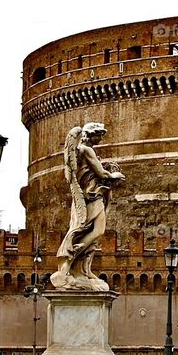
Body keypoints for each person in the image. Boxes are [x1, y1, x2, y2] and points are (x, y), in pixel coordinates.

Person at [53, 122, 124, 290]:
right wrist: (115, 175)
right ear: (91, 135)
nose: (100, 139)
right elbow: (102, 174)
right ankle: (70, 258)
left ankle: (83, 269)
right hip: (92, 196)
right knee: (96, 230)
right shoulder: (87, 150)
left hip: (90, 195)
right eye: (99, 135)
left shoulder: (80, 151)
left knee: (90, 230)